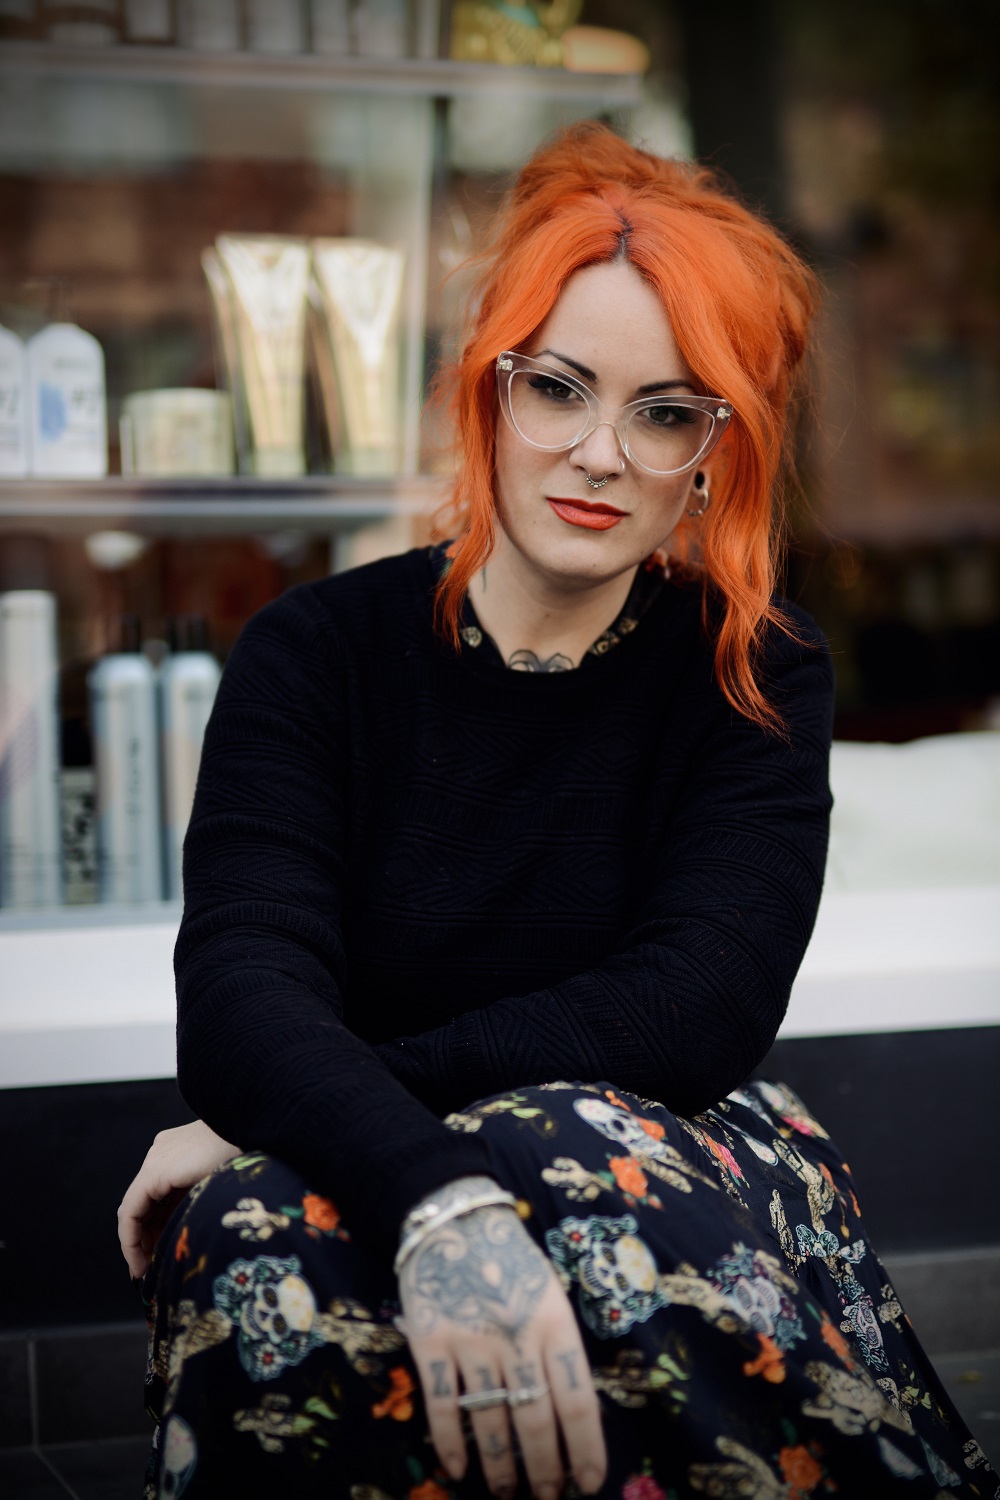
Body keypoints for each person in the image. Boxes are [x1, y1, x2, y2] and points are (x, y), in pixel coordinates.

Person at [119, 125, 995, 1500]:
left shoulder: (753, 668)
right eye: (559, 389)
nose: (599, 453)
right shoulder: (316, 654)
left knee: (569, 1136)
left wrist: (300, 1101)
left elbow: (687, 1011)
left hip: (662, 1161)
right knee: (252, 1228)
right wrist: (424, 1184)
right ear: (492, 387)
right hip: (365, 1164)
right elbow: (243, 989)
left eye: (664, 411)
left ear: (713, 450)